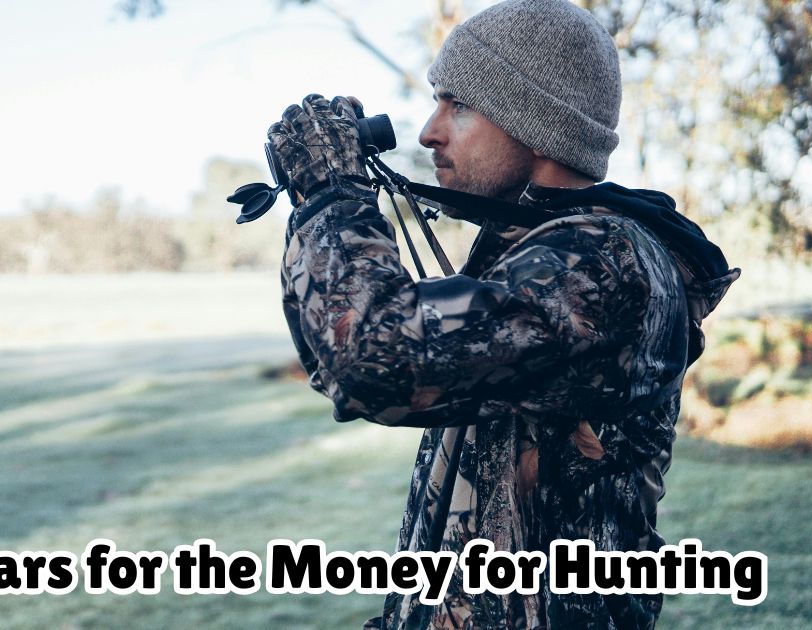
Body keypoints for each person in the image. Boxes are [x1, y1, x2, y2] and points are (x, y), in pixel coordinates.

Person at [265, 0, 740, 628]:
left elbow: (373, 364)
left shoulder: (604, 262)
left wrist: (333, 192)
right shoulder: (535, 256)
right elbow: (339, 359)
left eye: (458, 104)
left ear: (535, 123)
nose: (429, 132)